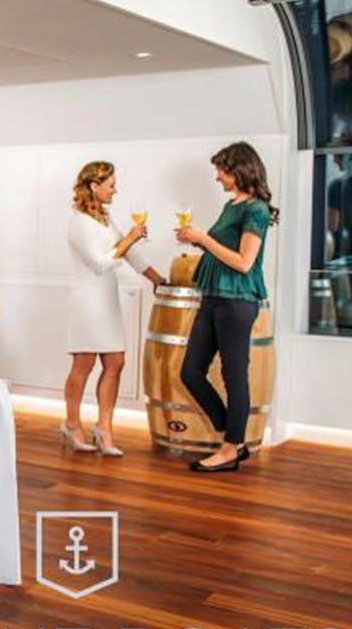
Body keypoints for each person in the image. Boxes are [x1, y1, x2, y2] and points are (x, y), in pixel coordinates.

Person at [176, 142, 279, 473]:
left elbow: (245, 262)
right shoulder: (231, 205)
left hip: (237, 300)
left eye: (222, 170)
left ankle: (230, 448)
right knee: (190, 371)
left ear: (239, 170)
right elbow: (222, 248)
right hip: (213, 297)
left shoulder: (256, 210)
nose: (218, 177)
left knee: (235, 375)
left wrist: (203, 239)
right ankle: (234, 437)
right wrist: (197, 241)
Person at [62, 162, 165, 456]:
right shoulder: (79, 222)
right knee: (83, 365)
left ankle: (104, 429)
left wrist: (156, 278)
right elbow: (99, 263)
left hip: (106, 300)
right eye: (111, 185)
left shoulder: (104, 219)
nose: (115, 190)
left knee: (115, 363)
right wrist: (129, 238)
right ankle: (71, 423)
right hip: (86, 303)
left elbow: (127, 251)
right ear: (94, 186)